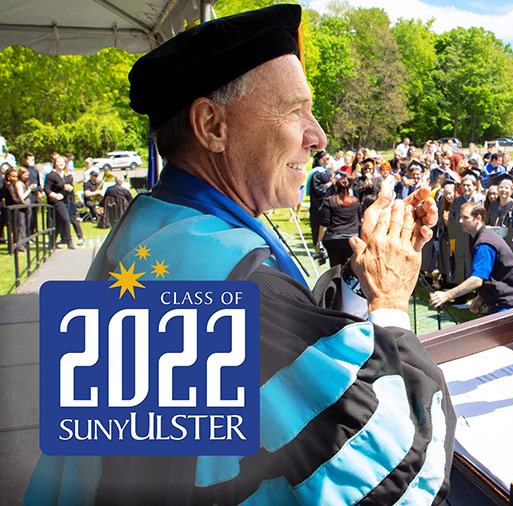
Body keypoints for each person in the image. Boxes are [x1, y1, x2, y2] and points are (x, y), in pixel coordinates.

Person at [25, 6, 453, 505]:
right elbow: (400, 479)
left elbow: (276, 355)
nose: (318, 137)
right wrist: (391, 306)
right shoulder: (237, 286)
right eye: (296, 111)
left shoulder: (151, 226)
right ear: (212, 125)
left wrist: (361, 276)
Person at [430, 202, 513, 314]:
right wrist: (480, 298)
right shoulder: (484, 237)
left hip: (510, 306)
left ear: (478, 218)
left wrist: (447, 294)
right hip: (506, 303)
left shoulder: (484, 244)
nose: (460, 221)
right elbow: (492, 274)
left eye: (465, 218)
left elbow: (476, 280)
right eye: (460, 217)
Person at [318, 172, 361, 268]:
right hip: (352, 238)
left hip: (334, 238)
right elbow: (359, 219)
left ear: (336, 187)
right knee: (352, 269)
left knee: (335, 268)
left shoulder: (329, 201)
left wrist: (319, 241)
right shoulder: (355, 201)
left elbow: (325, 223)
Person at [43, 154, 76, 249]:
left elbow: (70, 186)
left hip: (66, 200)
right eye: (59, 162)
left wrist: (70, 188)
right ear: (55, 164)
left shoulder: (66, 175)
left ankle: (52, 243)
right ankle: (69, 241)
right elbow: (47, 189)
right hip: (57, 201)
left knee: (59, 223)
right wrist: (55, 195)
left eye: (63, 162)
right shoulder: (51, 176)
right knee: (66, 220)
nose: (61, 164)